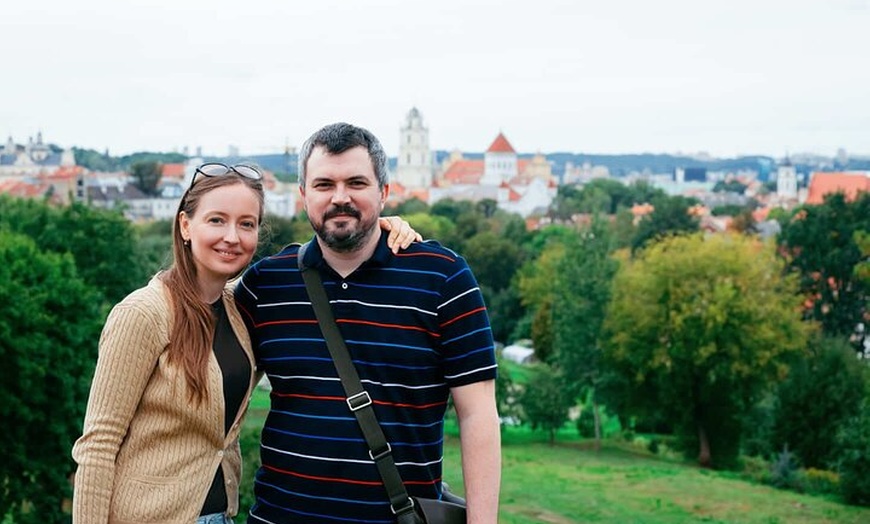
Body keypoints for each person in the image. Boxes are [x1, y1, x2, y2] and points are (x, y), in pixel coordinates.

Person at [71, 162, 419, 524]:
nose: (232, 237)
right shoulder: (144, 313)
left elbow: (311, 265)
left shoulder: (241, 305)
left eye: (246, 224)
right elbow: (98, 444)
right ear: (186, 225)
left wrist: (379, 227)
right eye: (217, 220)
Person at [236, 122, 502, 523]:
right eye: (324, 184)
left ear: (384, 192)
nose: (340, 198)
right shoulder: (266, 285)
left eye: (356, 182)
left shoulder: (443, 278)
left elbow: (478, 414)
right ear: (304, 195)